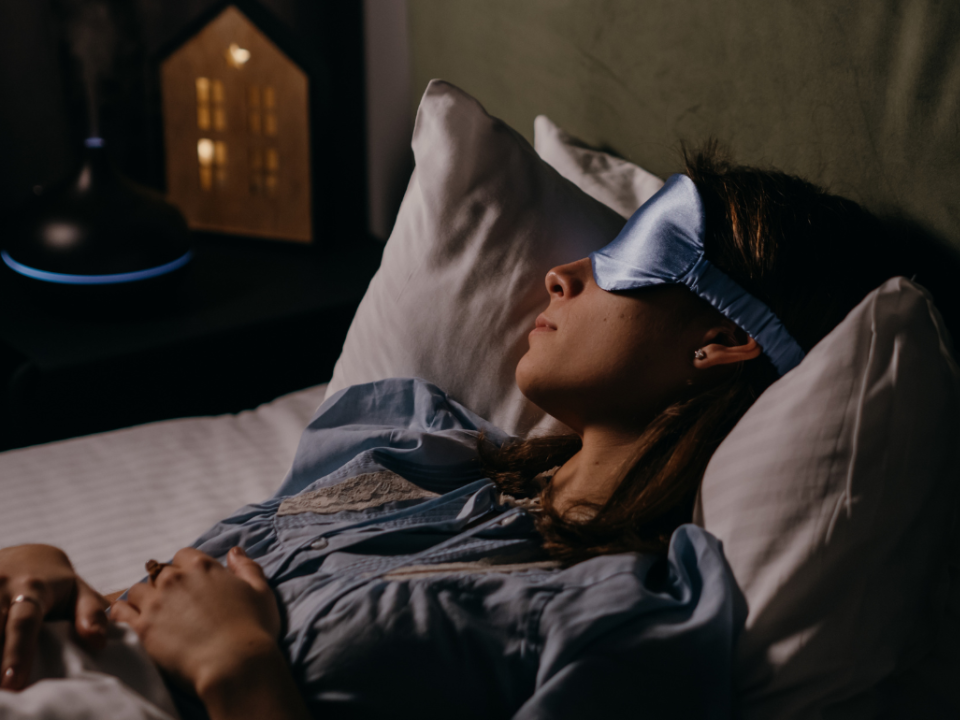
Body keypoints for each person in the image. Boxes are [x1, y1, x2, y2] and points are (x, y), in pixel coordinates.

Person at [0, 146, 902, 719]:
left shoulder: (622, 620)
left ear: (724, 338)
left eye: (633, 258)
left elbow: (214, 643)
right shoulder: (409, 447)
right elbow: (164, 599)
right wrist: (45, 574)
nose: (561, 275)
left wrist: (241, 673)